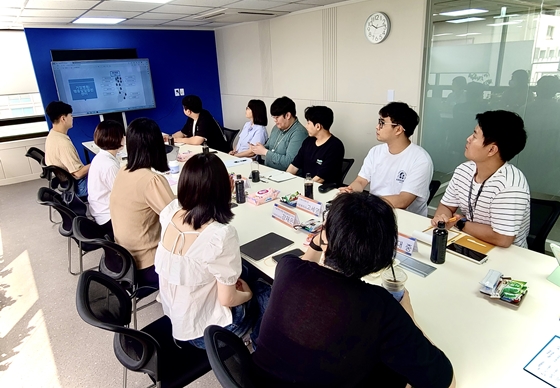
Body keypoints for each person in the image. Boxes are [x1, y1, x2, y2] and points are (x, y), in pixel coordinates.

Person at [251, 192, 456, 388]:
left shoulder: (288, 269)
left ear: (325, 235)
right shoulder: (380, 308)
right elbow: (445, 382)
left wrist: (321, 239)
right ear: (383, 254)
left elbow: (306, 262)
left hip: (259, 380)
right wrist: (408, 314)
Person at [155, 153, 270, 348]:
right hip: (206, 332)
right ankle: (260, 347)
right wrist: (248, 294)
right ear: (224, 188)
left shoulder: (170, 212)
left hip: (178, 315)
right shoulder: (220, 235)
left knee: (245, 270)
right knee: (268, 291)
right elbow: (228, 299)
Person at [432, 110, 530, 248]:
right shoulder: (463, 170)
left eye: (475, 136)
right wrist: (442, 217)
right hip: (468, 242)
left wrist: (461, 223)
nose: (468, 139)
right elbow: (447, 206)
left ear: (491, 150)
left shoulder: (511, 186)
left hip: (506, 256)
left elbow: (503, 238)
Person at [110, 118, 175, 288]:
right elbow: (180, 221)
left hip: (124, 259)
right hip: (148, 264)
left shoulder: (123, 170)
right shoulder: (151, 180)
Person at [340, 102, 433, 216]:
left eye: (382, 123)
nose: (377, 126)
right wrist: (351, 190)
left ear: (398, 129)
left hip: (404, 219)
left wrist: (367, 203)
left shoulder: (420, 160)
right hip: (375, 212)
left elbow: (403, 200)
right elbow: (361, 181)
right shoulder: (375, 152)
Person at [287, 105, 345, 184]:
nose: (306, 126)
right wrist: (284, 179)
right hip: (306, 185)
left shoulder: (335, 146)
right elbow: (294, 166)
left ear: (318, 126)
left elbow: (320, 178)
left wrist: (304, 187)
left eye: (308, 123)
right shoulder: (308, 141)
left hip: (323, 189)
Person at [87, 120, 125, 239]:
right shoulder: (109, 166)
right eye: (122, 135)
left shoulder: (101, 156)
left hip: (99, 209)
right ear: (117, 139)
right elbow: (123, 197)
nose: (125, 138)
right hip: (108, 217)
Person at [44, 101, 90, 197]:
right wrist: (98, 162)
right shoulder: (62, 143)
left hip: (68, 184)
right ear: (63, 118)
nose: (72, 118)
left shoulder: (53, 134)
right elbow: (78, 174)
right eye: (71, 116)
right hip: (79, 186)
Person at [250, 96, 307, 171]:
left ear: (288, 115)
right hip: (268, 171)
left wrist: (265, 152)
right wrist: (257, 148)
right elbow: (269, 147)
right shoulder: (276, 127)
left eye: (276, 117)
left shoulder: (299, 133)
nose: (275, 120)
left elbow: (289, 162)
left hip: (286, 176)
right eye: (273, 117)